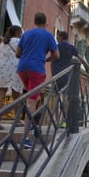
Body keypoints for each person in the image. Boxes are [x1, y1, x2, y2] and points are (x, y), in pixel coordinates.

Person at [16, 12, 60, 148]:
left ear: (35, 21)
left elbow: (17, 53)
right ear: (45, 23)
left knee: (32, 99)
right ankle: (25, 139)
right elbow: (56, 55)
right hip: (36, 70)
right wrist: (46, 59)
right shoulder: (48, 35)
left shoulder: (26, 34)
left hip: (22, 68)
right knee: (31, 102)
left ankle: (34, 128)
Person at [51, 30, 89, 127]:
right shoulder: (71, 47)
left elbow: (53, 60)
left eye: (58, 37)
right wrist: (88, 69)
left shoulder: (56, 46)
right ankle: (63, 120)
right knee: (65, 98)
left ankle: (56, 120)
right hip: (66, 75)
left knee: (56, 97)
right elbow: (81, 59)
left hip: (56, 74)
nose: (57, 39)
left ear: (61, 37)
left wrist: (52, 73)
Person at [0, 25, 23, 130]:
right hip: (14, 69)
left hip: (1, 69)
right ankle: (17, 120)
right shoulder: (19, 42)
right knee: (16, 95)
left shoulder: (2, 44)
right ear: (18, 33)